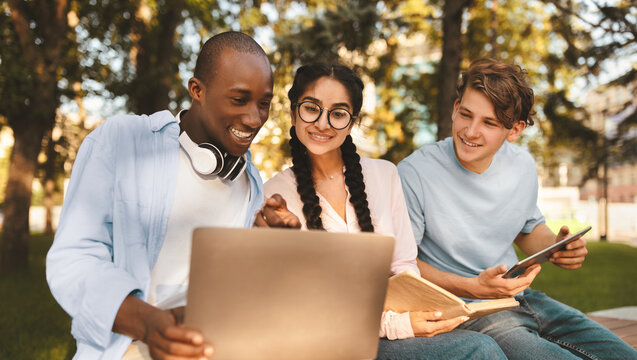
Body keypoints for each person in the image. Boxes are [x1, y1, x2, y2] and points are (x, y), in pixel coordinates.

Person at [46, 31, 299, 360]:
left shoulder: (250, 181)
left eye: (263, 104)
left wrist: (267, 247)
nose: (254, 119)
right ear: (197, 90)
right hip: (129, 347)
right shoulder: (122, 142)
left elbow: (235, 288)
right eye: (239, 99)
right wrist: (146, 324)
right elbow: (72, 260)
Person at [398, 57, 637, 359]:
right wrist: (472, 287)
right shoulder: (414, 173)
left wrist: (556, 246)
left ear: (515, 130)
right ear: (455, 107)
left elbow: (527, 229)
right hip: (469, 310)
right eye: (466, 115)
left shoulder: (522, 164)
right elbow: (403, 265)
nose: (470, 132)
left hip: (521, 297)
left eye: (489, 123)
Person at [264, 62, 506, 360]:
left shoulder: (384, 175)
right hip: (325, 345)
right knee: (479, 350)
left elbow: (404, 266)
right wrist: (397, 325)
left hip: (386, 335)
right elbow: (303, 305)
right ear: (293, 113)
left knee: (483, 346)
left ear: (352, 122)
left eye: (338, 113)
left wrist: (418, 317)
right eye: (311, 108)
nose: (323, 123)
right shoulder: (275, 196)